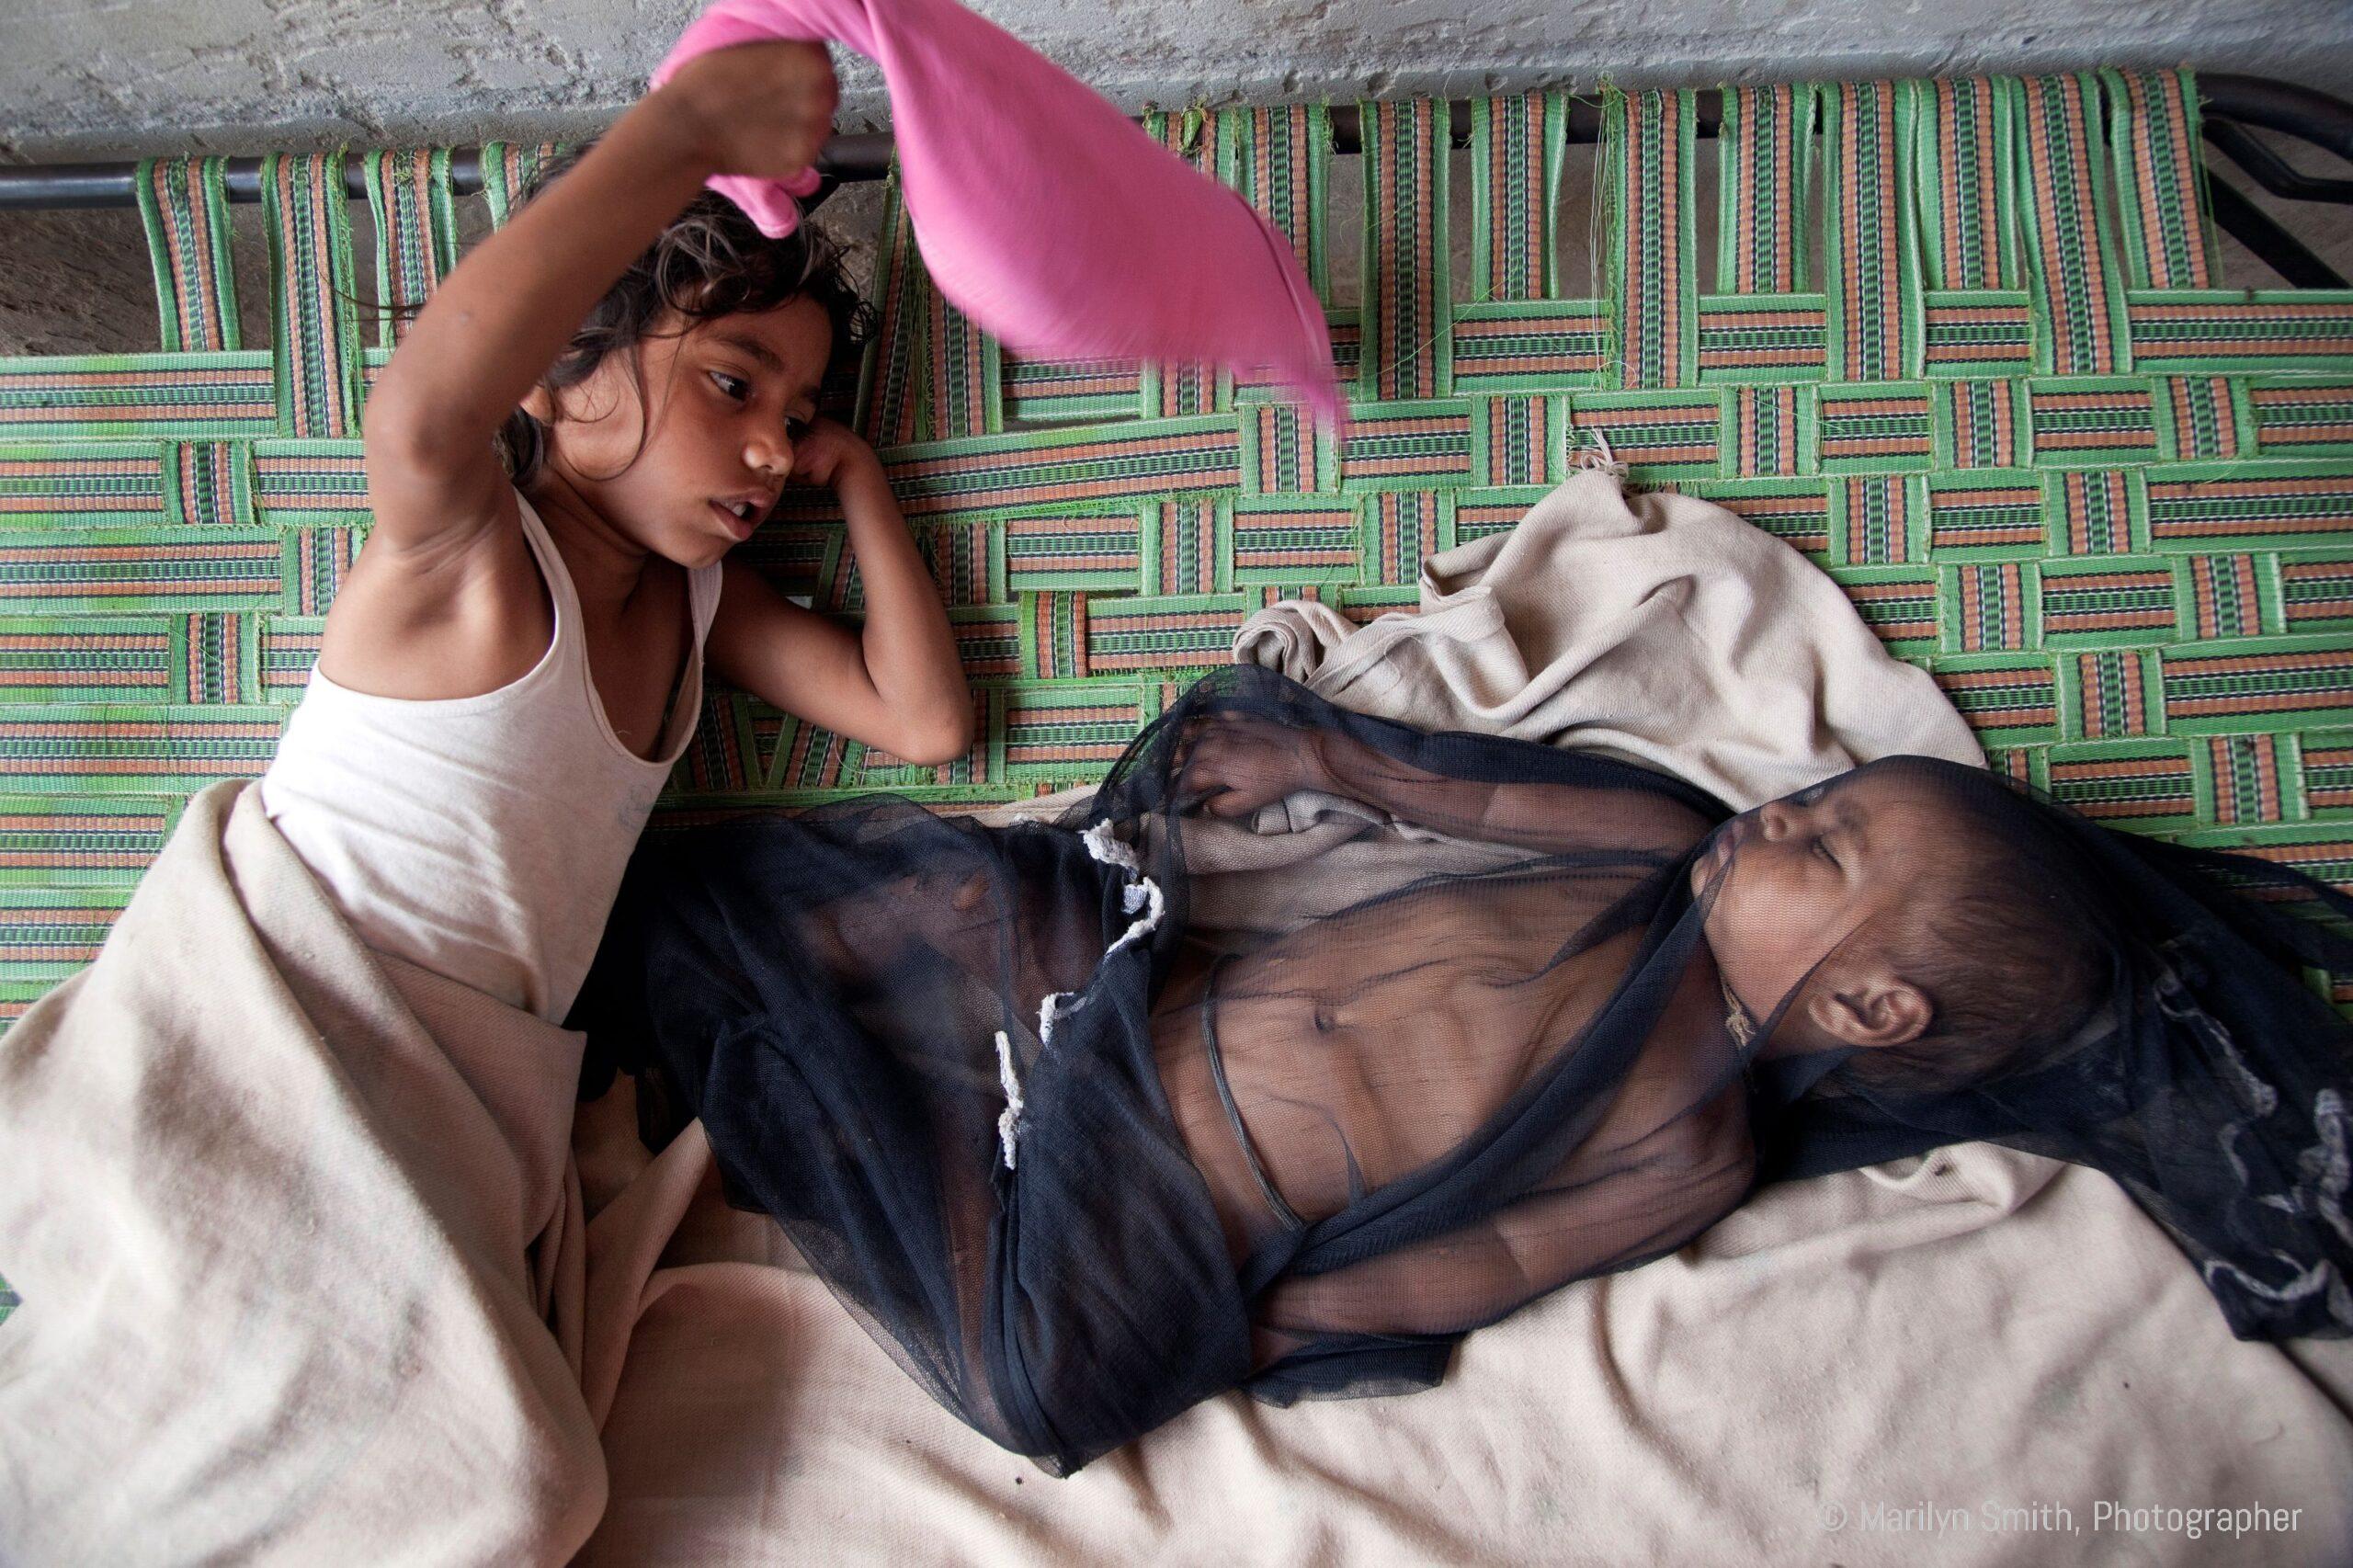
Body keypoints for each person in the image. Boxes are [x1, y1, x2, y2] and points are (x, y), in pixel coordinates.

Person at [577, 664, 2353, 1475]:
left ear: (1874, 1011)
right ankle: (648, 995)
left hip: (1173, 1207)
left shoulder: (1689, 1145)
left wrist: (1264, 1323)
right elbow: (1465, 797)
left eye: (1823, 843)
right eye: (1813, 794)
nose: (1778, 810)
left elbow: (1494, 1256)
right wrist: (1305, 750)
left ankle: (855, 1117)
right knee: (965, 894)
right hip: (1133, 1003)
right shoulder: (1655, 836)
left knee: (1036, 1378)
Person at [261, 40, 972, 1022]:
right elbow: (420, 423)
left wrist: (858, 477)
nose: (773, 448)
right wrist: (683, 135)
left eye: (797, 418)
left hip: (463, 1081)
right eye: (732, 384)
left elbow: (924, 720)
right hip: (281, 1007)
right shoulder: (475, 561)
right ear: (555, 374)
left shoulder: (697, 606)